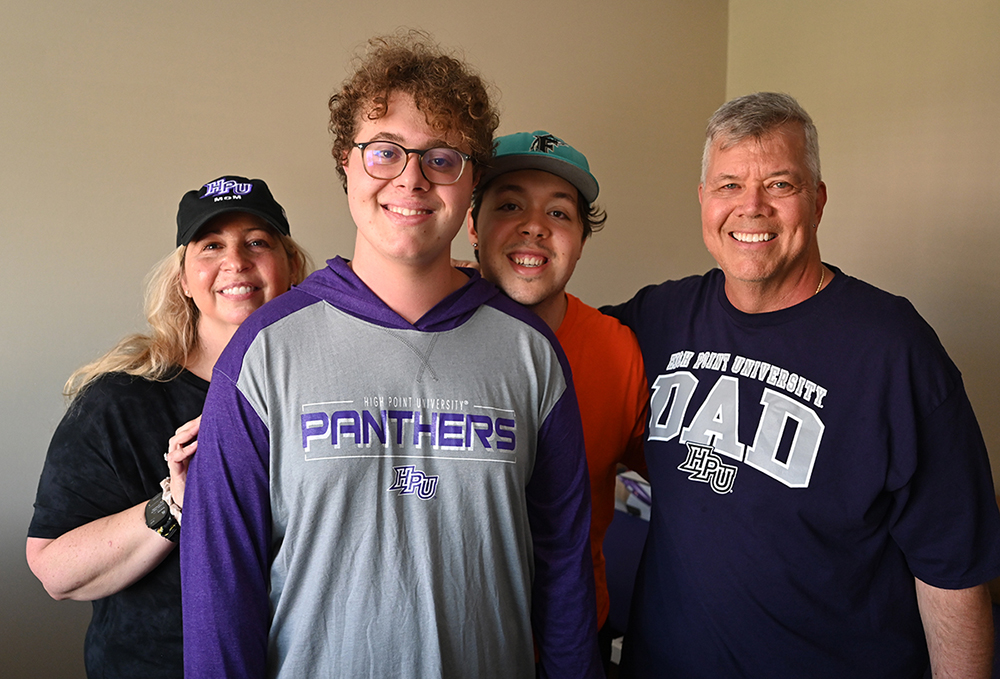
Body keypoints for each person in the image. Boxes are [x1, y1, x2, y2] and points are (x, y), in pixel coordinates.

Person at [180, 33, 601, 679]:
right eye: (385, 152)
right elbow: (220, 582)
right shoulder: (265, 348)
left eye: (441, 157)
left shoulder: (531, 352)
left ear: (471, 183)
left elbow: (565, 565)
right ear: (346, 164)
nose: (411, 178)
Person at [605, 92, 1000, 678]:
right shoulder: (659, 316)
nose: (752, 208)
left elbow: (954, 576)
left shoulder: (893, 348)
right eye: (729, 185)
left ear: (817, 202)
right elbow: (551, 340)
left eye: (780, 185)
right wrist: (464, 284)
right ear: (703, 200)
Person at [26, 175, 311, 678]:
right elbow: (55, 572)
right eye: (212, 245)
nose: (236, 261)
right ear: (183, 277)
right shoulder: (120, 400)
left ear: (291, 267)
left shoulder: (324, 392)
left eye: (258, 241)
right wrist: (174, 505)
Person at [468, 130, 647, 670]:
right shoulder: (421, 333)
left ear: (581, 239)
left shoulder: (618, 349)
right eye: (510, 204)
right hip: (455, 639)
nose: (535, 226)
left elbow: (678, 489)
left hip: (572, 639)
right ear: (472, 226)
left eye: (560, 213)